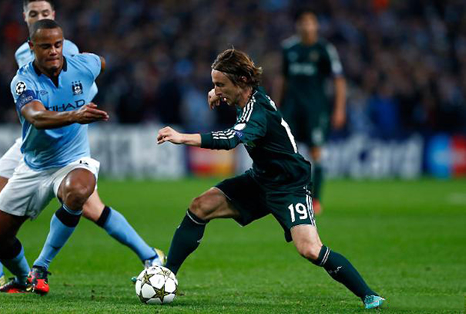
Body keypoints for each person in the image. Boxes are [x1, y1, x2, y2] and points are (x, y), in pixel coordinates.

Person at [157, 48, 384, 309]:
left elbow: (231, 139)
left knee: (310, 249)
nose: (216, 90)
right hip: (261, 179)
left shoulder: (257, 112)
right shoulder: (246, 94)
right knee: (200, 206)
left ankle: (368, 294)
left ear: (240, 81)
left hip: (290, 185)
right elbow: (232, 99)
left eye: (220, 84)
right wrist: (217, 91)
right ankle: (166, 276)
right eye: (214, 84)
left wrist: (183, 137)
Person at [0, 0, 164, 290]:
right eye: (45, 47)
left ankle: (41, 267)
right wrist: (76, 113)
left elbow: (100, 63)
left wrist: (86, 90)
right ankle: (23, 277)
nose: (53, 51)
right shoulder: (22, 78)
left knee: (79, 193)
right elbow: (36, 116)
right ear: (30, 43)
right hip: (33, 158)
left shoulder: (81, 61)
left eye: (57, 45)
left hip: (72, 157)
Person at [273, 9, 347, 215]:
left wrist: (339, 109)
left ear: (316, 25)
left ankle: (315, 200)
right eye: (303, 22)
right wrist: (275, 107)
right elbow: (282, 79)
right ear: (298, 25)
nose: (306, 26)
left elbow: (339, 80)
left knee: (316, 152)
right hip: (291, 110)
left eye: (310, 22)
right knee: (288, 152)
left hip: (316, 110)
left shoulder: (324, 49)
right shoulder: (289, 48)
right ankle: (290, 196)